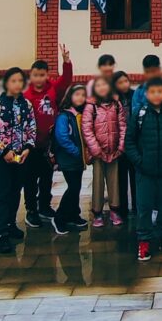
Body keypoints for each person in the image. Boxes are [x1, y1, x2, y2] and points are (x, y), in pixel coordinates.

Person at [125, 76, 162, 261]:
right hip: (145, 171)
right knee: (144, 207)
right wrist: (139, 161)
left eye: (160, 91)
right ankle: (144, 240)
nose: (156, 95)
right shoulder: (140, 114)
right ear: (146, 94)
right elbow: (130, 142)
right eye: (152, 92)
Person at [0, 67, 37, 254]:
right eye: (13, 81)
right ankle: (2, 232)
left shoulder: (26, 104)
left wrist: (28, 147)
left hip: (20, 156)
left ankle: (11, 223)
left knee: (16, 191)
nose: (17, 84)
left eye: (20, 81)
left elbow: (31, 127)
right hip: (3, 158)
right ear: (7, 82)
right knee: (4, 193)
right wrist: (4, 150)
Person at [23, 45, 73, 228]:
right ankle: (31, 210)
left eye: (42, 75)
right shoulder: (25, 95)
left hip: (48, 145)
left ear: (47, 75)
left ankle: (44, 205)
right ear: (31, 76)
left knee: (46, 177)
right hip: (30, 146)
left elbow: (66, 80)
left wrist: (66, 62)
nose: (39, 78)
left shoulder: (52, 89)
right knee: (30, 180)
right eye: (35, 75)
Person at [83, 74, 128, 228]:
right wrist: (96, 150)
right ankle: (97, 213)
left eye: (104, 84)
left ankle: (114, 210)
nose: (102, 88)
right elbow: (87, 130)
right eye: (98, 85)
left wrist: (121, 147)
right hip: (98, 153)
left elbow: (122, 126)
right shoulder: (91, 106)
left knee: (114, 182)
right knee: (98, 183)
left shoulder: (116, 104)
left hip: (114, 151)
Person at [50, 84, 91, 234]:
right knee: (73, 188)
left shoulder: (80, 115)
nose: (80, 98)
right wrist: (76, 151)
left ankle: (73, 214)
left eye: (83, 95)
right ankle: (59, 218)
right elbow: (62, 137)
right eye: (77, 94)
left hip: (78, 160)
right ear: (70, 96)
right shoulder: (64, 116)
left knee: (77, 187)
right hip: (69, 159)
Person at [113, 71, 136, 214]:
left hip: (134, 142)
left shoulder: (135, 95)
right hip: (119, 143)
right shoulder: (113, 98)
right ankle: (122, 209)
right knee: (120, 177)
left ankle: (137, 206)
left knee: (135, 176)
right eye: (120, 82)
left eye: (125, 81)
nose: (124, 85)